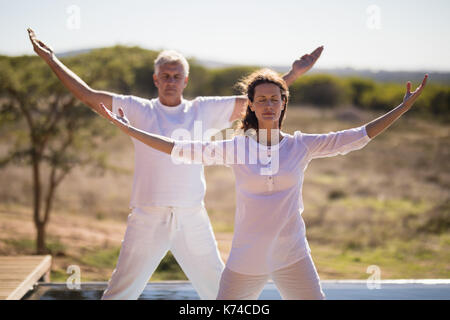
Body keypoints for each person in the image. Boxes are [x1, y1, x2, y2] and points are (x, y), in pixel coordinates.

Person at [27, 28, 324, 299]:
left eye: (176, 76)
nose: (170, 81)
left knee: (219, 292)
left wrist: (294, 74)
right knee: (120, 292)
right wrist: (52, 60)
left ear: (186, 80)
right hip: (147, 215)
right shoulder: (137, 109)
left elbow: (259, 98)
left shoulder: (203, 109)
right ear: (156, 79)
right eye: (165, 76)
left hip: (192, 215)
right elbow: (90, 96)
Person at [97, 68, 428, 300]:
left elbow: (356, 138)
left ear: (284, 103)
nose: (269, 105)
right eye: (262, 99)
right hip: (245, 258)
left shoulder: (301, 145)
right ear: (251, 106)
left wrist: (401, 108)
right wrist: (130, 130)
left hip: (292, 254)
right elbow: (181, 149)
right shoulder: (236, 147)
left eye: (275, 99)